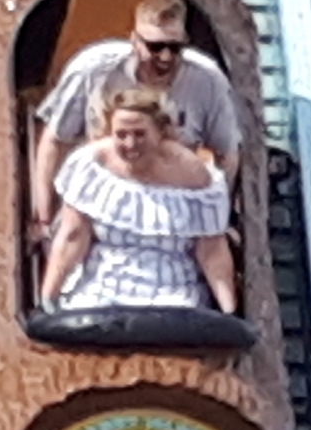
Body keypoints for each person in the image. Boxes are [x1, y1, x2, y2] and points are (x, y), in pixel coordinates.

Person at [34, 83, 244, 344]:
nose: (130, 143)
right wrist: (47, 299)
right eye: (121, 135)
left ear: (160, 133)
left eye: (139, 134)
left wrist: (229, 313)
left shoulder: (195, 176)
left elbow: (211, 250)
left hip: (173, 292)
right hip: (103, 286)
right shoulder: (91, 165)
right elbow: (73, 237)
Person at [33, 0, 243, 238]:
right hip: (97, 202)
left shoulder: (207, 80)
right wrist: (45, 217)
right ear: (134, 40)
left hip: (172, 209)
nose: (165, 57)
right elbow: (55, 140)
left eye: (175, 47)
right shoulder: (93, 71)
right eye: (155, 46)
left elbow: (227, 155)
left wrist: (214, 217)